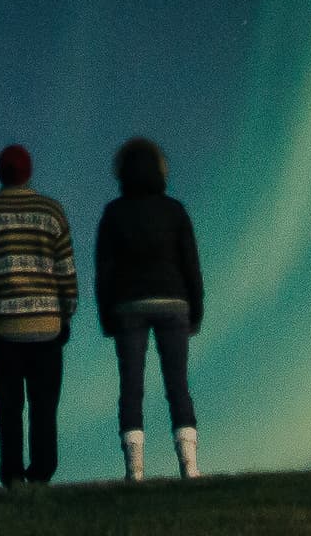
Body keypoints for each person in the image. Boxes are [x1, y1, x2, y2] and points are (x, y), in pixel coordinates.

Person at [94, 134, 206, 481]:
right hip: (174, 301)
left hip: (128, 305)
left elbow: (105, 270)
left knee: (131, 385)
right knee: (178, 384)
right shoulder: (175, 210)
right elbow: (191, 263)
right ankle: (190, 467)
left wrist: (106, 315)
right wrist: (196, 309)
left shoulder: (113, 213)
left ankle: (135, 471)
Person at [0, 141, 76, 487]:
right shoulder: (52, 212)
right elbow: (66, 270)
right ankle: (41, 475)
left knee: (9, 407)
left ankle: (12, 477)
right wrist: (65, 313)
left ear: (1, 173)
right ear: (29, 172)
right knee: (44, 407)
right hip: (46, 325)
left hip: (1, 328)